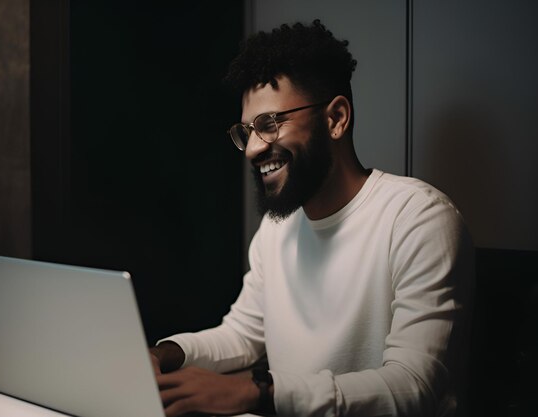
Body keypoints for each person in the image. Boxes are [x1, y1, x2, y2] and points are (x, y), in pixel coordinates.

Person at [150, 20, 474, 417]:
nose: (252, 149)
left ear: (336, 118)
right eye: (247, 130)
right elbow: (242, 335)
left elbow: (412, 385)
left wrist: (258, 393)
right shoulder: (276, 228)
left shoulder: (419, 219)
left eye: (269, 125)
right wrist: (163, 354)